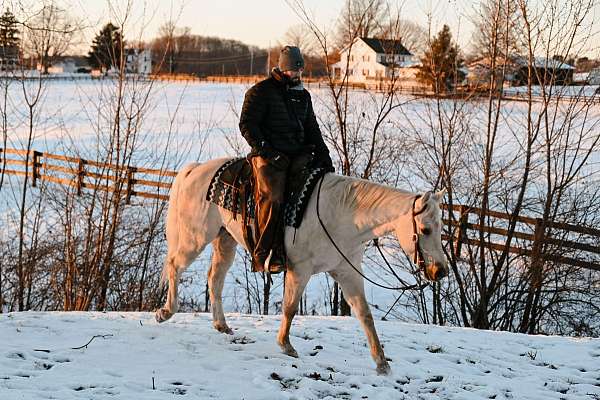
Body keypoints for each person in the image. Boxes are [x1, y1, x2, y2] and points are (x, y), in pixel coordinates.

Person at [239, 45, 334, 274]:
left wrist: (325, 158)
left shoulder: (303, 96)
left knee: (315, 188)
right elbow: (247, 125)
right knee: (274, 196)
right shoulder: (260, 92)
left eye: (300, 70)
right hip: (267, 155)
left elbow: (312, 129)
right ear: (283, 69)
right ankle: (264, 252)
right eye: (294, 70)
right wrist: (267, 151)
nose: (298, 75)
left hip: (296, 154)